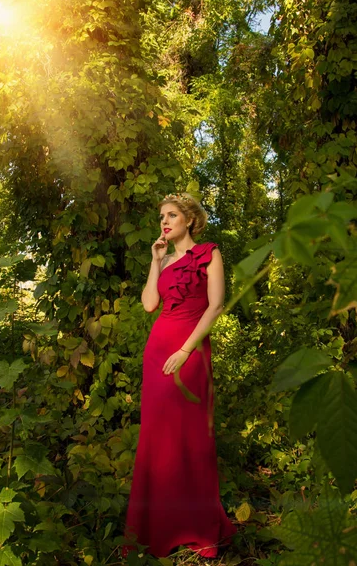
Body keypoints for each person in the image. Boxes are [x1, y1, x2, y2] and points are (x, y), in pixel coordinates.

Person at [124, 192, 236, 558]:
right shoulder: (165, 257)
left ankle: (197, 528)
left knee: (191, 438)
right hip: (158, 350)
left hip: (190, 351)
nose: (165, 222)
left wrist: (186, 349)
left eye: (172, 215)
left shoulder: (209, 253)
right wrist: (155, 262)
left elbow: (216, 304)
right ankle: (157, 528)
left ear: (190, 219)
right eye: (161, 217)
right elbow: (149, 304)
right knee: (159, 439)